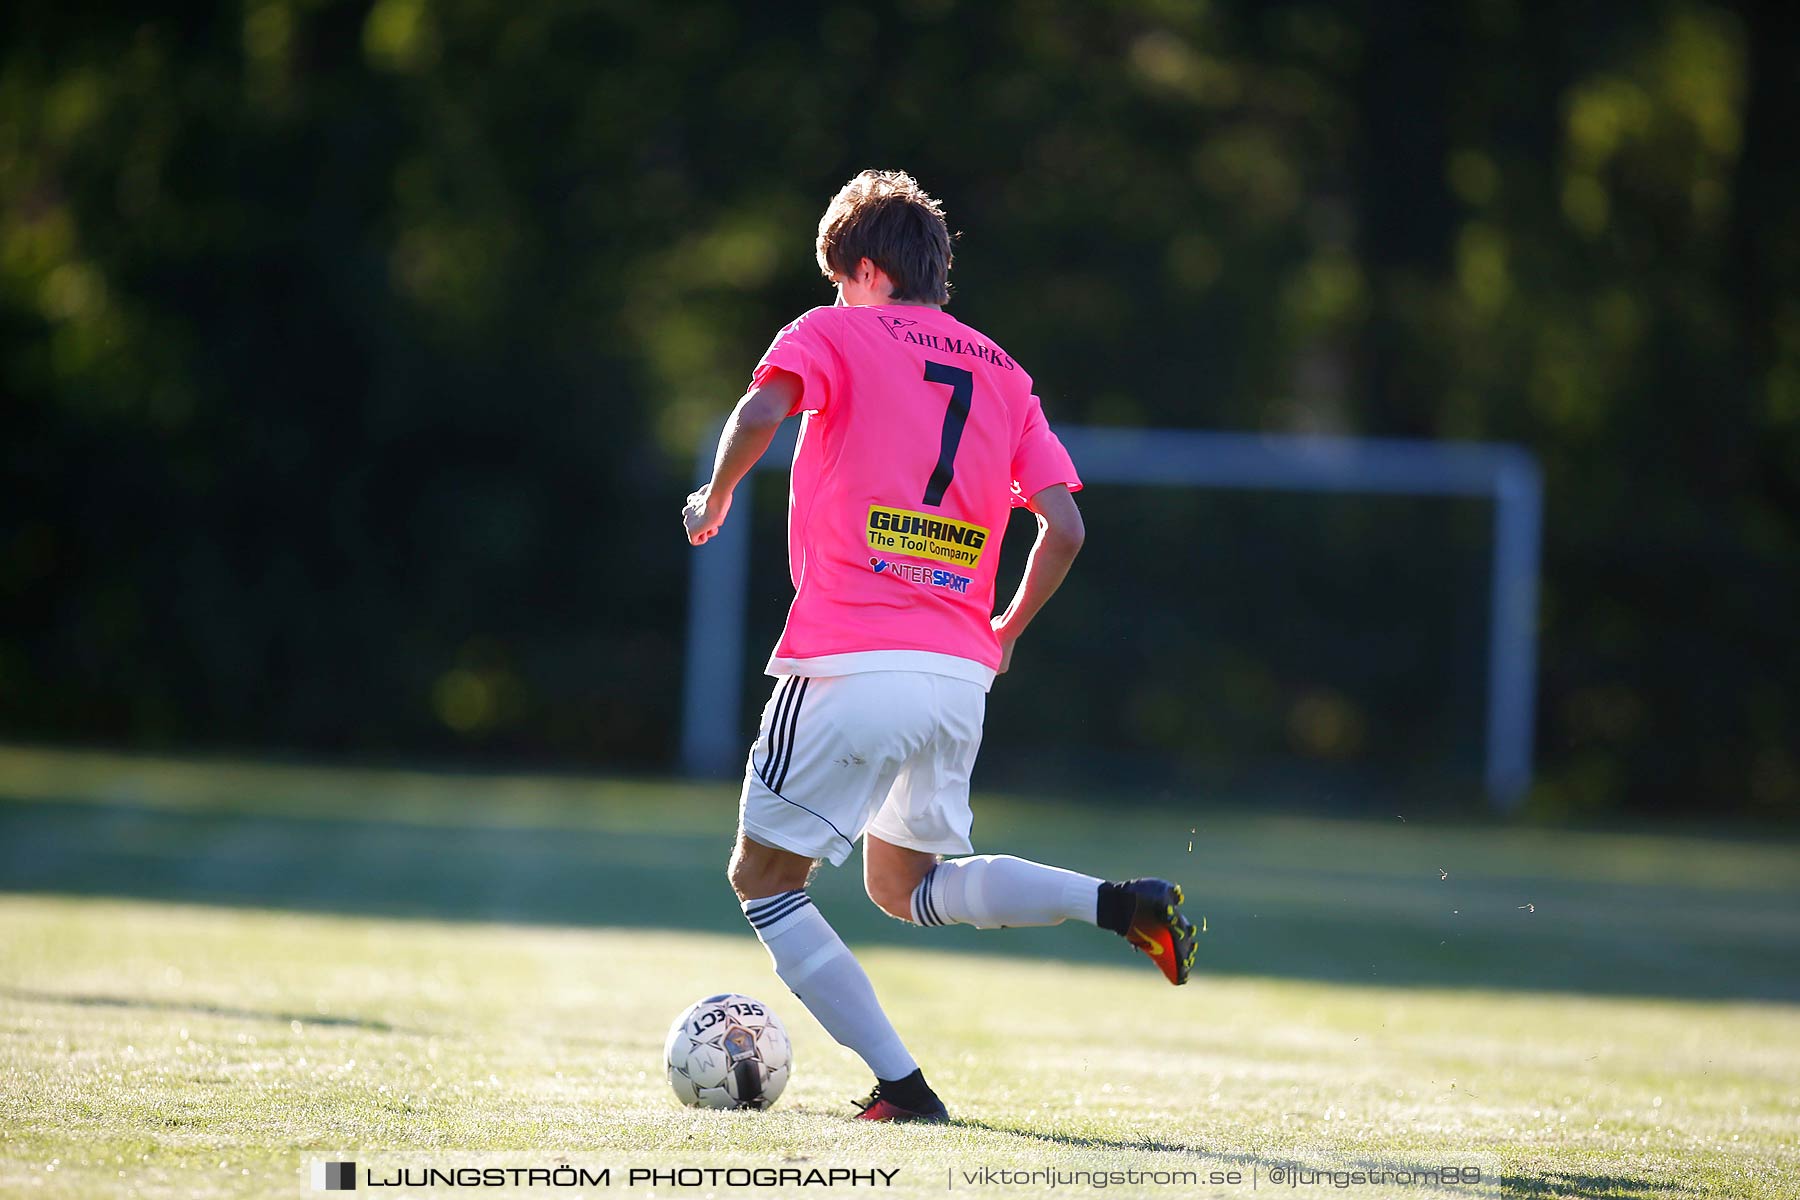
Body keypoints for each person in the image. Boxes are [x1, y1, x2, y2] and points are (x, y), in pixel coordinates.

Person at [681, 169, 1197, 1122]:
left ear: (866, 271)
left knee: (761, 877)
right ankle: (1124, 905)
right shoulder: (1003, 370)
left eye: (841, 278)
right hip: (959, 671)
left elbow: (760, 412)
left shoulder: (829, 330)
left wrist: (713, 498)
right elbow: (1067, 531)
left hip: (848, 657)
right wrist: (1002, 632)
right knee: (903, 884)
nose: (839, 294)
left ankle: (904, 1089)